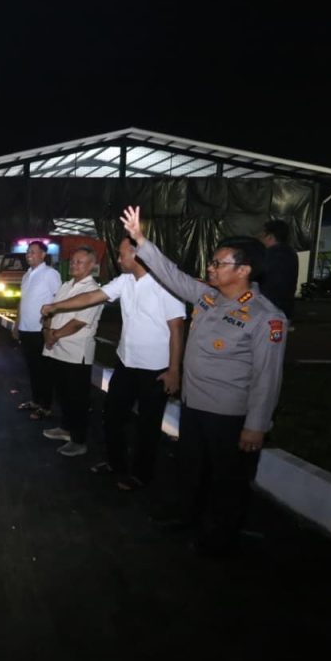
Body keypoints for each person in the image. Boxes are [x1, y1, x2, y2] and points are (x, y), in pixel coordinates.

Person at [120, 205, 286, 557]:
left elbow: (267, 377)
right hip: (194, 406)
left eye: (218, 263)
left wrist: (256, 426)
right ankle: (186, 516)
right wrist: (141, 241)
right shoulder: (208, 297)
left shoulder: (265, 317)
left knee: (228, 481)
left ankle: (221, 538)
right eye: (212, 262)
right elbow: (172, 275)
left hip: (229, 415)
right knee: (190, 468)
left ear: (243, 270)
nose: (210, 268)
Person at [42, 236, 185, 490]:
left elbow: (177, 328)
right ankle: (115, 463)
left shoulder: (166, 283)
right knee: (113, 416)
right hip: (126, 361)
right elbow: (91, 297)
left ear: (139, 254)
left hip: (156, 368)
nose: (118, 259)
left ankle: (141, 475)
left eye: (121, 254)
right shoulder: (125, 281)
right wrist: (55, 306)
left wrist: (174, 370)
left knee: (148, 425)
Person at [39, 247, 104, 457]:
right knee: (63, 394)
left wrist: (53, 335)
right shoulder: (66, 285)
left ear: (91, 266)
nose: (74, 265)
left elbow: (78, 323)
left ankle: (78, 440)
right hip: (56, 349)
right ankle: (65, 428)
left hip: (76, 354)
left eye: (80, 262)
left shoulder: (93, 291)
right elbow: (51, 310)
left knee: (77, 399)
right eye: (73, 261)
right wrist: (47, 331)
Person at [11, 241, 62, 419]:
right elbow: (22, 301)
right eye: (28, 252)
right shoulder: (27, 275)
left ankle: (45, 406)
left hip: (40, 330)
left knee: (44, 370)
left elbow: (57, 301)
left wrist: (49, 326)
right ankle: (35, 401)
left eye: (33, 252)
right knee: (32, 368)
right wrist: (17, 323)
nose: (28, 255)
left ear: (43, 255)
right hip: (26, 329)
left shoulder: (50, 274)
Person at [258, 219, 299, 321]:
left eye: (262, 234)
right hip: (285, 309)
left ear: (270, 236)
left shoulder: (269, 255)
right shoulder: (291, 253)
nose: (259, 236)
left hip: (267, 310)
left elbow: (256, 277)